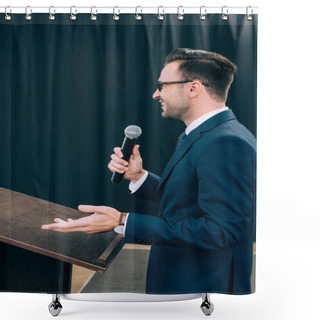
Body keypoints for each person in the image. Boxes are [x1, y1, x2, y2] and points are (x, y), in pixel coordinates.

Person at [42, 48, 256, 295]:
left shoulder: (225, 141)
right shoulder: (209, 133)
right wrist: (138, 177)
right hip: (183, 279)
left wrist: (123, 220)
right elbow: (189, 200)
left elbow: (221, 232)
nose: (156, 94)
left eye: (162, 85)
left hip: (200, 288)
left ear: (193, 88)